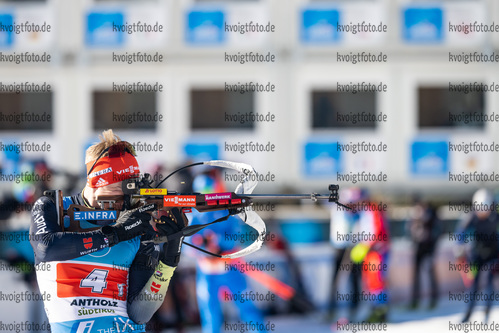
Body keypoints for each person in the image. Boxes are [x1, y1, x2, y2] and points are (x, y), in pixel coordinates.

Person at [29, 129, 187, 332]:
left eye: (130, 191)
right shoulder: (53, 207)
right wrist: (116, 233)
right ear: (96, 181)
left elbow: (140, 314)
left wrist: (169, 261)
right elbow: (46, 248)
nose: (125, 200)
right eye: (119, 189)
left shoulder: (135, 222)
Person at [186, 171, 266, 333]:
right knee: (210, 314)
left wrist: (218, 241)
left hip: (230, 267)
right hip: (207, 271)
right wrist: (201, 246)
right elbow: (187, 242)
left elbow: (238, 237)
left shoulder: (228, 211)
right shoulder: (194, 215)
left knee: (247, 308)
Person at [455, 188, 499, 323]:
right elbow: (460, 232)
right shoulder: (471, 216)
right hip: (476, 255)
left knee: (490, 284)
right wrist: (459, 247)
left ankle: (486, 313)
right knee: (473, 284)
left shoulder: (495, 216)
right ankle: (467, 315)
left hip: (493, 254)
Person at [407, 197, 440, 309]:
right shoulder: (414, 217)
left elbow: (438, 232)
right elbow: (410, 231)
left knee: (430, 275)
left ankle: (433, 300)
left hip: (428, 249)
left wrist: (432, 249)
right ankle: (415, 301)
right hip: (418, 249)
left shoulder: (431, 217)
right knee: (416, 276)